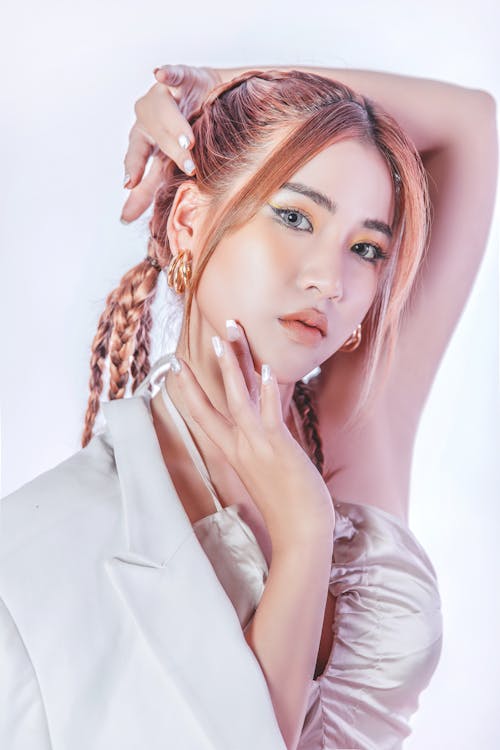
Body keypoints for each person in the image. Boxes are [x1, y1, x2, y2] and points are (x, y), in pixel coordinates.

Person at [0, 64, 497, 750]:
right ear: (189, 221)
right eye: (294, 216)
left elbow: (474, 125)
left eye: (365, 248)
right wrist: (301, 536)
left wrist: (219, 87)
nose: (330, 277)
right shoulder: (38, 551)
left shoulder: (358, 427)